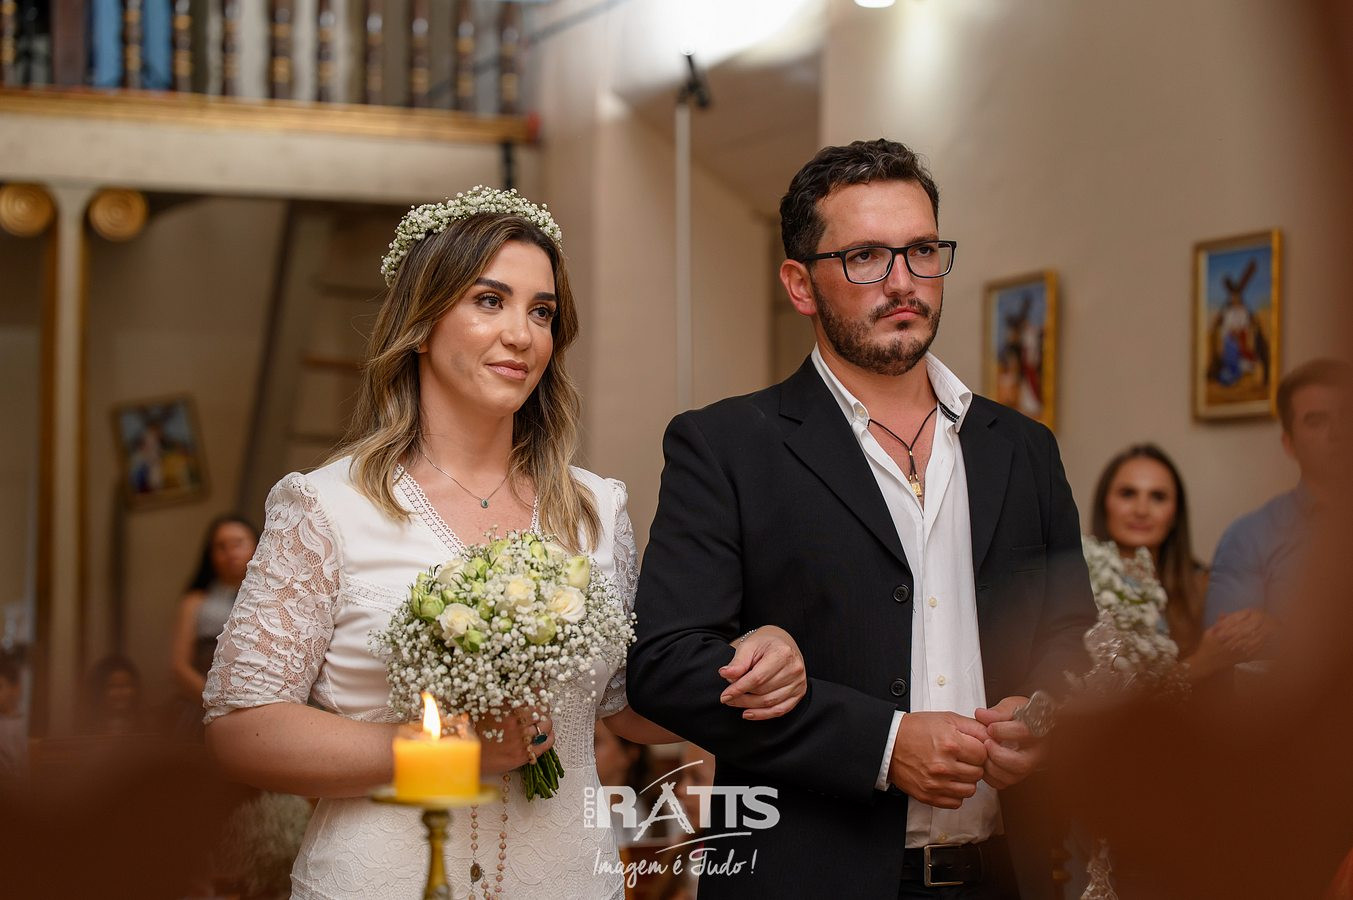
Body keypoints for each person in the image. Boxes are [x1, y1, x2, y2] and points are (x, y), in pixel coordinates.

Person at [202, 187, 807, 900]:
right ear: (422, 322)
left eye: (541, 312)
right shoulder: (327, 505)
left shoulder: (594, 510)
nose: (522, 335)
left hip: (566, 879)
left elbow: (626, 705)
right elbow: (241, 730)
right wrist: (449, 755)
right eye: (489, 301)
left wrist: (752, 656)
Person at [627, 139, 1098, 899]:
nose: (902, 281)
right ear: (800, 285)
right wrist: (882, 745)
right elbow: (665, 666)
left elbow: (1071, 634)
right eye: (865, 258)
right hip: (809, 879)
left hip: (1004, 875)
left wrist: (1041, 717)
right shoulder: (727, 446)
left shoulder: (1021, 448)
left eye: (921, 251)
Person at [1090, 444, 1269, 678]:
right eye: (1128, 494)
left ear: (1175, 514)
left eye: (1158, 497)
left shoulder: (1203, 587)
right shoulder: (1075, 585)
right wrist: (1199, 663)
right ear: (1105, 504)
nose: (1141, 510)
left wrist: (1263, 627)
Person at [1205, 359, 1351, 636]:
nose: (1339, 433)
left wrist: (1277, 631)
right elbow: (1230, 648)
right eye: (1317, 421)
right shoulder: (1250, 538)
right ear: (1289, 444)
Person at [170, 515, 258, 731]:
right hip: (204, 706)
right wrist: (218, 701)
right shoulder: (195, 602)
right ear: (210, 554)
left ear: (257, 546)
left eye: (238, 543)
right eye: (221, 546)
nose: (230, 553)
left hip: (260, 706)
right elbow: (179, 666)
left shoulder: (272, 599)